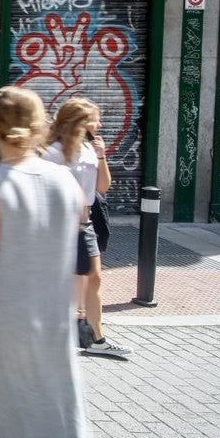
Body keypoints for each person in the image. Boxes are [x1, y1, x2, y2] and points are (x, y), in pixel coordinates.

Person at [0, 86, 96, 438]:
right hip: (50, 325)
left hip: (0, 328)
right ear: (39, 127)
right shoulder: (66, 181)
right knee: (48, 420)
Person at [43, 98, 131, 358]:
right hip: (60, 222)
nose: (100, 123)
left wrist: (101, 155)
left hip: (87, 221)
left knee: (94, 278)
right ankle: (64, 334)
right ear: (79, 122)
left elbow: (103, 187)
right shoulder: (53, 152)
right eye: (95, 118)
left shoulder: (89, 148)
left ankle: (96, 336)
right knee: (64, 280)